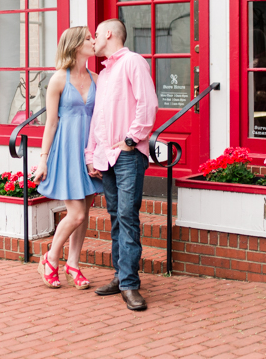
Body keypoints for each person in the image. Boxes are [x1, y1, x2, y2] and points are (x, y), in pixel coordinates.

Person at [86, 19, 158, 311]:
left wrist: (131, 139)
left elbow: (148, 104)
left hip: (128, 155)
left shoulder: (133, 62)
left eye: (95, 34)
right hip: (106, 156)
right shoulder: (104, 74)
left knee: (127, 216)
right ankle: (120, 275)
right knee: (116, 216)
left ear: (109, 34)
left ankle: (130, 285)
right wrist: (92, 154)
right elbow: (97, 118)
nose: (92, 39)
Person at [33, 26, 103, 290]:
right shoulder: (58, 80)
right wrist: (43, 159)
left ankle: (73, 264)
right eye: (88, 38)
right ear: (75, 45)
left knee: (84, 211)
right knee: (75, 214)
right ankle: (50, 258)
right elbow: (51, 123)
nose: (93, 41)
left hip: (90, 151)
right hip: (67, 150)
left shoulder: (97, 78)